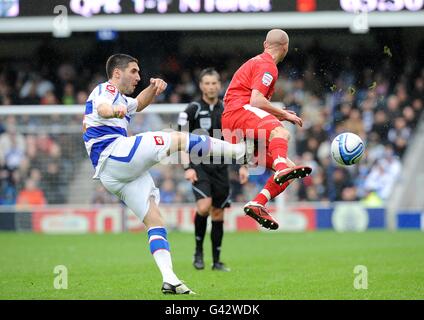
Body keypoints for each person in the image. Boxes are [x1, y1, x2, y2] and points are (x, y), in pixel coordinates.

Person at [82, 54, 246, 295]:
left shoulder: (122, 98)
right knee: (177, 138)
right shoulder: (105, 90)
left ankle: (170, 279)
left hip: (114, 175)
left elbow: (137, 104)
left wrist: (152, 88)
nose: (138, 76)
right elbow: (103, 108)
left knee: (155, 221)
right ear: (117, 73)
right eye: (134, 71)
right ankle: (237, 151)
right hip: (115, 154)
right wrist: (114, 111)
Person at [222, 29, 312, 230]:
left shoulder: (257, 62)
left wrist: (278, 114)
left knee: (290, 170)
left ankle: (258, 203)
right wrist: (284, 114)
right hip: (239, 113)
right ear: (286, 48)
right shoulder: (267, 65)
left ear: (265, 44)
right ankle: (280, 168)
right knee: (281, 133)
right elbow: (256, 101)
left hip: (232, 122)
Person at [178, 68, 248, 272]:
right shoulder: (191, 110)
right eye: (206, 83)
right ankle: (198, 252)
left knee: (218, 214)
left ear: (219, 85)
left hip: (221, 166)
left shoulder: (228, 109)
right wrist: (187, 167)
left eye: (214, 83)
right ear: (201, 86)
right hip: (199, 165)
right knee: (203, 207)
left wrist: (243, 165)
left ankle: (216, 261)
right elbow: (181, 140)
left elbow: (238, 139)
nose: (210, 87)